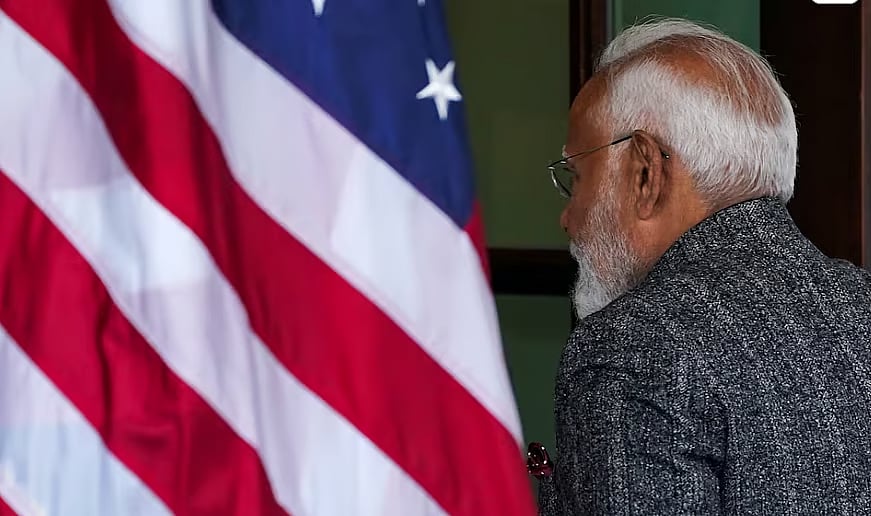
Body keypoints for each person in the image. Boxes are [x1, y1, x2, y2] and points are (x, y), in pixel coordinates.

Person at [530, 17, 871, 515]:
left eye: (576, 176)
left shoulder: (631, 346)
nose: (567, 217)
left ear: (646, 171)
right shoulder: (861, 302)